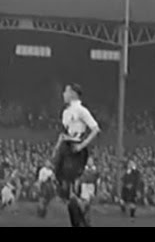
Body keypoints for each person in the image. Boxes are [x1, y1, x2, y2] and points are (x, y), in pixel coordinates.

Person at [52, 83, 100, 227]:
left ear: (73, 93)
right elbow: (64, 133)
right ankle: (81, 217)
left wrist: (82, 145)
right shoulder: (66, 112)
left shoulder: (81, 110)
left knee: (70, 187)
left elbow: (95, 129)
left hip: (75, 150)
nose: (63, 94)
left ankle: (82, 220)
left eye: (66, 91)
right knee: (65, 191)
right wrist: (57, 148)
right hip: (65, 148)